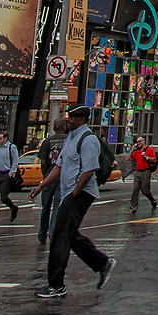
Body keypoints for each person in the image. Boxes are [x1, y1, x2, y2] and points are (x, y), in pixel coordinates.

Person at [38, 105, 113, 298]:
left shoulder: (88, 140)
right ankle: (102, 263)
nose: (68, 120)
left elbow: (89, 170)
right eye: (67, 117)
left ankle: (56, 285)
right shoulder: (70, 138)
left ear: (82, 119)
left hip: (80, 194)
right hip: (69, 194)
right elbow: (59, 166)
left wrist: (74, 193)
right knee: (69, 235)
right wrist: (42, 185)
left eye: (71, 117)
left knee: (59, 236)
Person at [0, 130, 22, 224]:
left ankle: (14, 208)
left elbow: (15, 162)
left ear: (6, 138)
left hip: (6, 174)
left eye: (1, 138)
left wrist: (10, 174)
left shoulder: (11, 147)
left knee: (4, 197)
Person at [33, 129, 61, 247]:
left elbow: (43, 161)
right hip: (60, 178)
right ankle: (52, 233)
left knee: (46, 207)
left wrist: (45, 175)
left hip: (48, 178)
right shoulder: (68, 140)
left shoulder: (47, 141)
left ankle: (42, 234)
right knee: (56, 206)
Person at [126, 138, 158, 216]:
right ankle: (133, 208)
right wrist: (132, 150)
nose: (138, 143)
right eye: (137, 142)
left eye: (140, 141)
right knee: (135, 190)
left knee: (145, 191)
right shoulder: (136, 151)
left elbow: (154, 160)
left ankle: (153, 201)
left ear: (144, 141)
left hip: (146, 172)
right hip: (138, 172)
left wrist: (146, 156)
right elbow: (128, 159)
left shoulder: (149, 150)